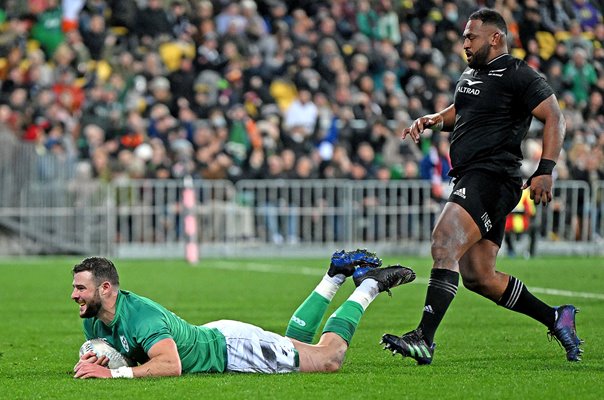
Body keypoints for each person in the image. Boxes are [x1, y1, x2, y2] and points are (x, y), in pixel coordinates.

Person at [381, 8, 583, 364]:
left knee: (444, 240)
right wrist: (433, 120)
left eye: (470, 37)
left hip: (492, 176)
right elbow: (463, 110)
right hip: (472, 175)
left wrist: (546, 169)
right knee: (479, 276)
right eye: (463, 37)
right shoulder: (472, 73)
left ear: (495, 37)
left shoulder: (518, 73)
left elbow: (554, 115)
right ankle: (556, 317)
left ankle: (423, 339)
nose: (464, 44)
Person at [71, 250, 415, 378]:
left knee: (328, 359)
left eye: (81, 289)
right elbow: (117, 351)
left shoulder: (140, 314)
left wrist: (116, 376)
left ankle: (368, 286)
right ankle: (334, 276)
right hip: (218, 336)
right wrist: (98, 362)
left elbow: (170, 366)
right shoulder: (94, 318)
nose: (74, 296)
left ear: (106, 289)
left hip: (234, 350)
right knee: (294, 344)